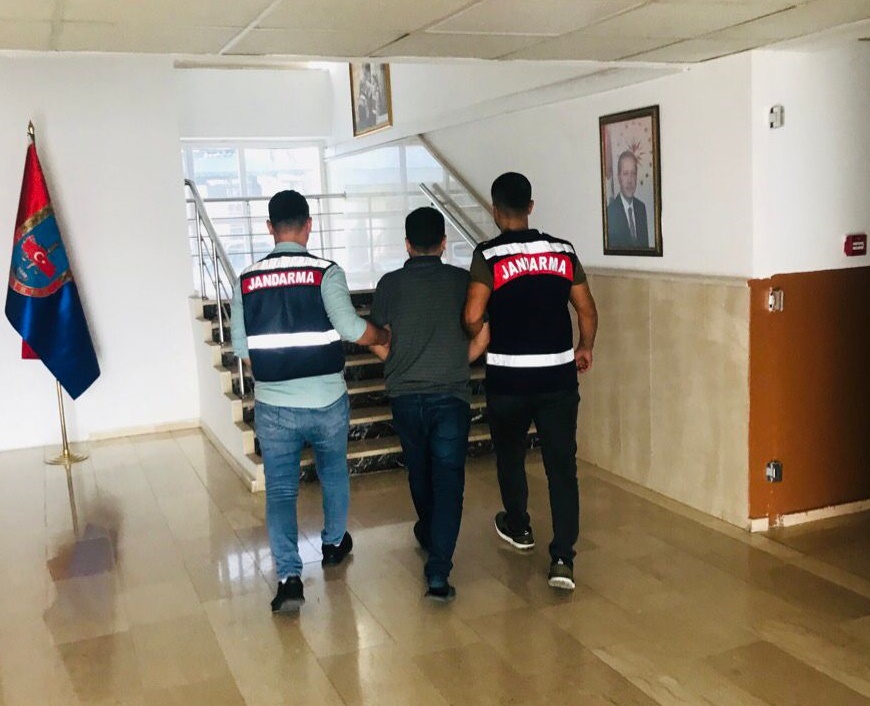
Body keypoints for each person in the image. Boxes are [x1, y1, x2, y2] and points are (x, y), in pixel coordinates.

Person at [230, 190, 390, 613]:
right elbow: (352, 328)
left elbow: (244, 349)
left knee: (281, 491)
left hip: (274, 406)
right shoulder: (326, 273)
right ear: (309, 225)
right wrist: (382, 337)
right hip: (326, 401)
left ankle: (288, 578)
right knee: (333, 473)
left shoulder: (246, 279)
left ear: (269, 227)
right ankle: (334, 544)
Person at [463, 172, 598, 591]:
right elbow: (586, 309)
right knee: (562, 466)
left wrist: (481, 333)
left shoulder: (488, 255)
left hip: (508, 380)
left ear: (494, 209)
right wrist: (585, 346)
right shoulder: (563, 251)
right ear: (531, 207)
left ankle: (519, 526)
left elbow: (472, 315)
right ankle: (562, 558)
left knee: (510, 455)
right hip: (558, 379)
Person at [369, 207, 489, 601]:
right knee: (449, 479)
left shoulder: (389, 284)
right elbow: (483, 335)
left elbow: (376, 338)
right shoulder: (462, 281)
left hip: (405, 396)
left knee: (419, 471)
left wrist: (398, 364)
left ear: (406, 244)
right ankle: (438, 570)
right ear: (443, 243)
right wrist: (457, 362)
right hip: (451, 396)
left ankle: (428, 529)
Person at [606, 151, 649, 249]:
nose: (630, 180)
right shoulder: (610, 212)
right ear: (619, 178)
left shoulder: (641, 208)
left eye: (633, 173)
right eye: (625, 174)